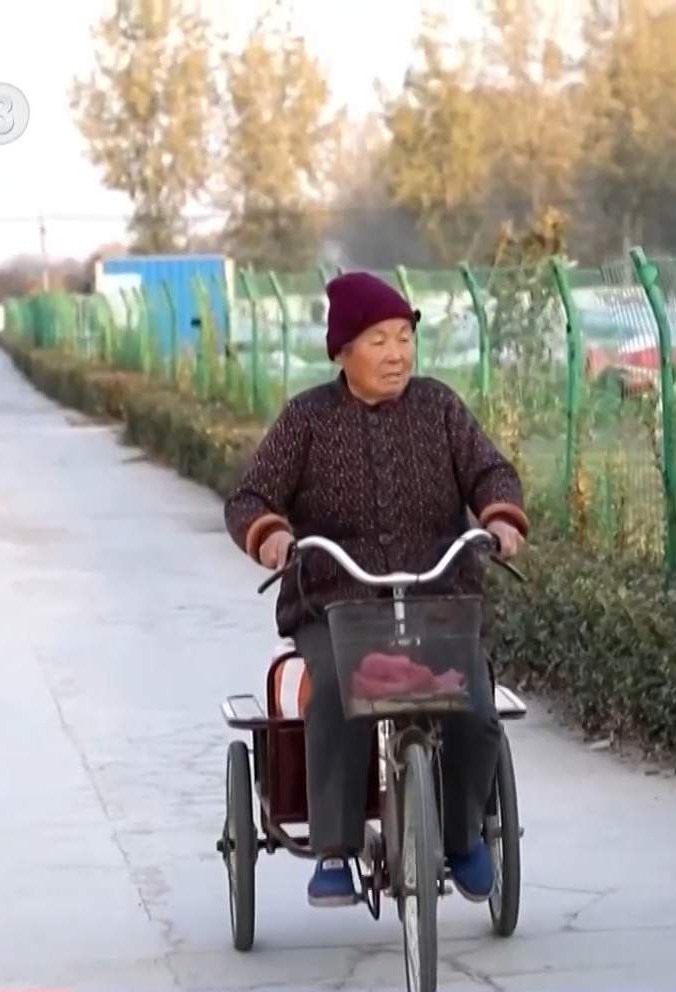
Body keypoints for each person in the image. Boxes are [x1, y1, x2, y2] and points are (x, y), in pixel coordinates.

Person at [223, 270, 529, 908]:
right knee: (337, 690)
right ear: (343, 352)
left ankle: (463, 837)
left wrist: (499, 518)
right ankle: (335, 848)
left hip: (437, 597)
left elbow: (490, 471)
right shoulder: (307, 419)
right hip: (336, 603)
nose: (397, 354)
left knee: (474, 709)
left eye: (405, 338)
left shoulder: (439, 408)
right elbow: (250, 497)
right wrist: (272, 536)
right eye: (379, 341)